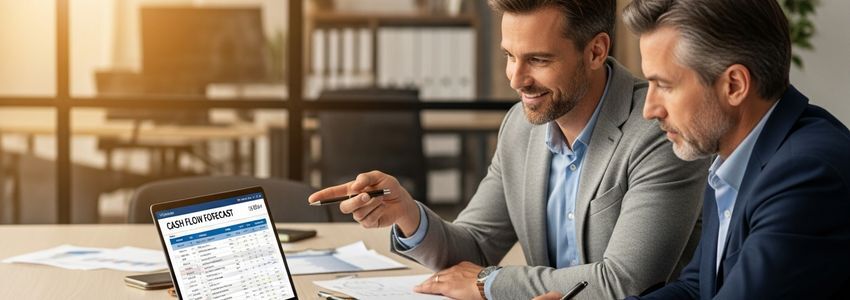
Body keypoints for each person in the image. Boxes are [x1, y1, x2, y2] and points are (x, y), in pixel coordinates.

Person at [308, 0, 710, 299]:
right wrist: (409, 214)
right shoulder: (520, 127)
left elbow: (623, 282)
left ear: (595, 51)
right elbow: (476, 246)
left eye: (537, 59)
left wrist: (489, 282)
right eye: (509, 57)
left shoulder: (657, 130)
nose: (517, 80)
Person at [608, 0, 849, 298]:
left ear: (734, 85)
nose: (649, 109)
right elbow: (698, 288)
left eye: (665, 86)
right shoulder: (733, 158)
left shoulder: (807, 174)